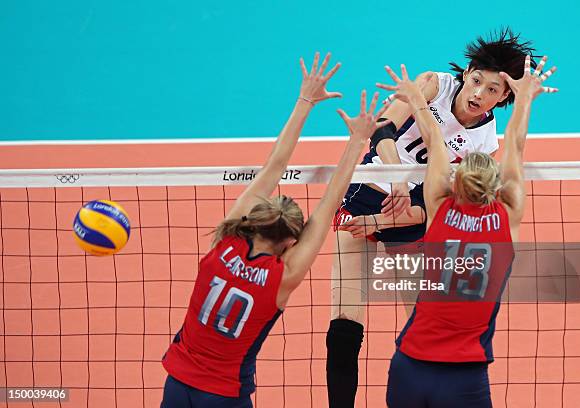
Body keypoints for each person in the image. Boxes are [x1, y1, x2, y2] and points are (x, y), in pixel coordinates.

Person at [160, 51, 391, 408]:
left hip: (177, 383)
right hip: (224, 395)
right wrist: (358, 142)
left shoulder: (227, 240)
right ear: (290, 241)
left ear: (253, 221)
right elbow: (331, 200)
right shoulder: (281, 278)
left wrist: (305, 101)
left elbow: (274, 166)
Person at [326, 28, 539, 408]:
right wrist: (397, 180)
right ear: (467, 72)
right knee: (344, 323)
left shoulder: (485, 142)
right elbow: (382, 130)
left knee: (421, 324)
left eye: (493, 90)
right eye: (477, 82)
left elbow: (444, 206)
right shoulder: (431, 85)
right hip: (370, 192)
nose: (479, 94)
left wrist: (400, 211)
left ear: (506, 96)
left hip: (413, 217)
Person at [384, 55, 557, 407]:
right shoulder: (506, 219)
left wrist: (415, 97)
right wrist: (523, 99)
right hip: (465, 375)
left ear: (455, 180)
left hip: (409, 366)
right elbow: (516, 148)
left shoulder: (439, 209)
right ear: (496, 187)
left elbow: (435, 143)